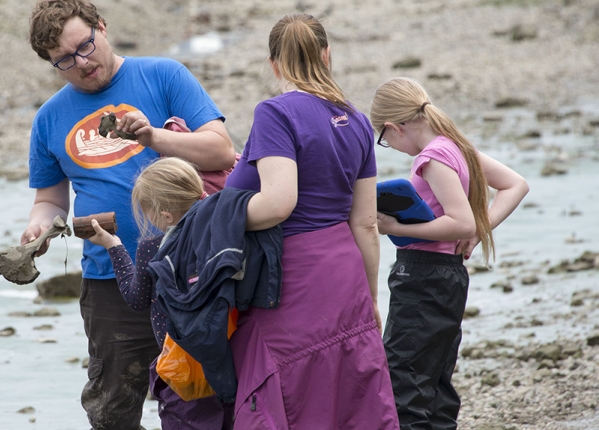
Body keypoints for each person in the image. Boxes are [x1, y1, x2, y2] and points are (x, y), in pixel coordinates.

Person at [22, 1, 235, 428]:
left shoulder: (164, 75)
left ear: (101, 27)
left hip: (190, 274)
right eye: (64, 60)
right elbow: (51, 200)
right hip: (110, 283)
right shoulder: (49, 119)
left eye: (86, 46)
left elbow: (222, 150)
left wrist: (155, 136)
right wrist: (39, 227)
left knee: (205, 403)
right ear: (50, 62)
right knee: (112, 412)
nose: (82, 64)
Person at [223, 13, 399, 428]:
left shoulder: (276, 113)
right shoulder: (355, 120)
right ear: (326, 55)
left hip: (289, 278)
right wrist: (370, 297)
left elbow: (279, 203)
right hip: (345, 273)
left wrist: (213, 216)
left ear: (274, 64)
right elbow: (366, 223)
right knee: (350, 397)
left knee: (291, 392)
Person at [369, 77, 529, 429]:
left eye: (385, 140)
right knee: (436, 382)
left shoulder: (432, 158)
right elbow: (516, 184)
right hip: (450, 275)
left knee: (403, 381)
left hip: (422, 275)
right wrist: (481, 228)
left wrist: (396, 228)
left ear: (394, 127)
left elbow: (460, 222)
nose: (389, 146)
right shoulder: (457, 147)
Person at [86, 157, 229, 429]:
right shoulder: (221, 235)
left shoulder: (153, 248)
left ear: (165, 215)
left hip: (180, 362)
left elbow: (136, 299)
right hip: (224, 354)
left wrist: (114, 247)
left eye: (146, 211)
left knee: (185, 420)